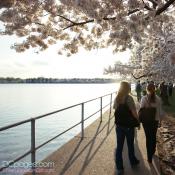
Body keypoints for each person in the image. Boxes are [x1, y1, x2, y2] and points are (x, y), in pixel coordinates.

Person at [113, 81, 140, 175]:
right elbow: (133, 112)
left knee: (119, 147)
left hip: (119, 125)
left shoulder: (117, 98)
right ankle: (132, 161)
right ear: (128, 88)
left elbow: (115, 109)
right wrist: (138, 121)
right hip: (128, 126)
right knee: (130, 145)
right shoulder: (129, 98)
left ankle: (119, 167)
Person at [140, 83, 164, 163]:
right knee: (153, 136)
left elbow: (141, 109)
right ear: (155, 89)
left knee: (148, 138)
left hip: (146, 121)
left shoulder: (144, 98)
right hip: (155, 120)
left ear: (147, 89)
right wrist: (160, 121)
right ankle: (153, 150)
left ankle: (149, 157)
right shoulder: (158, 99)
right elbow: (160, 112)